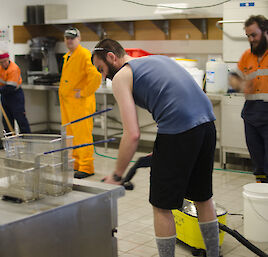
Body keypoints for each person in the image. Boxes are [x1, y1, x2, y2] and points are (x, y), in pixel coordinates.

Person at [92, 39, 219, 257]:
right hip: (206, 126)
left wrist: (117, 174)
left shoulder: (122, 76)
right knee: (203, 198)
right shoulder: (155, 60)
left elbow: (132, 134)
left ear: (112, 57)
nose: (103, 76)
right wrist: (165, 148)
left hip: (179, 131)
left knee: (162, 206)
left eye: (101, 69)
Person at [229, 15, 268, 183]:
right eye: (248, 36)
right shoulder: (247, 56)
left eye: (254, 35)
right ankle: (261, 194)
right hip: (252, 116)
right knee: (258, 162)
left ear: (266, 32)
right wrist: (239, 84)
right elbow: (233, 77)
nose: (251, 39)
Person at [59, 27, 102, 179]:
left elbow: (97, 76)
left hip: (81, 105)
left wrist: (83, 92)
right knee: (72, 136)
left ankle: (86, 166)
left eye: (72, 38)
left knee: (82, 136)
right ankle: (77, 163)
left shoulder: (84, 55)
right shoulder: (68, 56)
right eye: (67, 38)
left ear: (79, 38)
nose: (69, 41)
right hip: (68, 105)